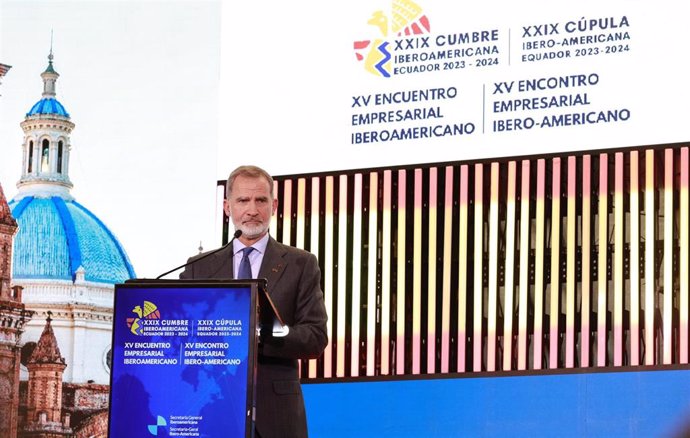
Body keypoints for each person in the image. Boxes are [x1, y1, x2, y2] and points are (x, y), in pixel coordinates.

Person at [180, 165, 328, 438]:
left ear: (273, 206)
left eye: (260, 200)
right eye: (242, 200)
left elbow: (315, 337)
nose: (252, 209)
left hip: (277, 414)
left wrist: (261, 334)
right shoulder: (198, 268)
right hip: (210, 410)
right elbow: (182, 334)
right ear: (227, 207)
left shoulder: (301, 264)